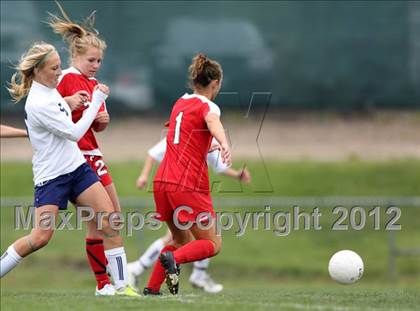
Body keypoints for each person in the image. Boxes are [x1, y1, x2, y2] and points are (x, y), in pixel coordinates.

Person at [0, 42, 125, 298]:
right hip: (52, 179)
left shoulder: (51, 90)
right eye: (55, 68)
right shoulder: (37, 102)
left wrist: (69, 101)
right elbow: (74, 133)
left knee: (110, 221)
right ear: (37, 71)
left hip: (77, 169)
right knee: (40, 237)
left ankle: (121, 289)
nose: (60, 72)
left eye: (59, 66)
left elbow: (60, 108)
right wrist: (96, 102)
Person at [47, 4, 138, 297]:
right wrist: (69, 103)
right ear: (75, 56)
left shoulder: (96, 84)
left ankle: (109, 283)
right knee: (104, 220)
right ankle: (112, 284)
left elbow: (95, 126)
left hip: (95, 155)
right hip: (76, 159)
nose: (96, 64)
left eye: (99, 60)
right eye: (91, 59)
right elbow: (53, 114)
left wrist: (103, 121)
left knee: (111, 219)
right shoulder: (65, 80)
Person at [143, 53, 231, 296]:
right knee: (212, 244)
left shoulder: (180, 103)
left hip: (162, 182)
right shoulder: (208, 105)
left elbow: (182, 132)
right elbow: (212, 121)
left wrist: (207, 144)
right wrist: (224, 143)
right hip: (187, 183)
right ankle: (174, 260)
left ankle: (151, 289)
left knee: (179, 239)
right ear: (215, 84)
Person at [128, 137, 251, 293]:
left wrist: (236, 174)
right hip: (184, 187)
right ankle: (186, 270)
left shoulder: (184, 130)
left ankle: (150, 283)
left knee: (179, 239)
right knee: (210, 240)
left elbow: (218, 166)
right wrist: (143, 176)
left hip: (165, 183)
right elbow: (153, 154)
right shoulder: (192, 127)